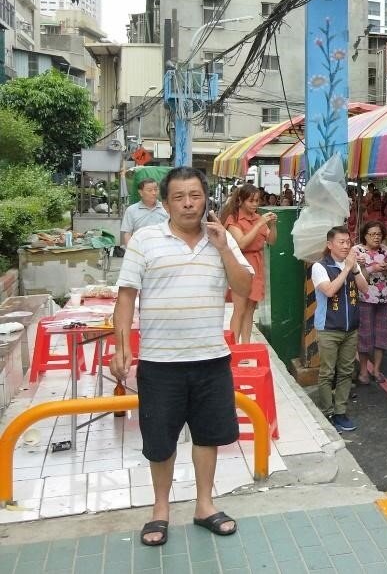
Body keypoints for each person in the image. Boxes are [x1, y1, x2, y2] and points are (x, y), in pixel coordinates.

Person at [111, 166, 254, 547]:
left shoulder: (221, 238)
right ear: (166, 202)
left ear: (206, 199)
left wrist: (224, 247)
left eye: (195, 195)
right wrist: (122, 347)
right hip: (160, 362)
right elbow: (126, 296)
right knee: (160, 440)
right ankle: (160, 510)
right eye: (179, 197)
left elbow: (244, 286)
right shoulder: (145, 239)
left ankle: (204, 506)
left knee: (208, 435)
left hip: (211, 358)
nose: (188, 204)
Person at [312, 226, 370, 433]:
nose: (346, 246)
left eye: (348, 242)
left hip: (350, 328)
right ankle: (327, 411)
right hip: (328, 327)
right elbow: (329, 291)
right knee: (327, 372)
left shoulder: (352, 265)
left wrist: (354, 269)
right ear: (330, 245)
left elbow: (365, 289)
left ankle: (340, 412)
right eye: (341, 242)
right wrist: (346, 269)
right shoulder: (320, 266)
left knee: (346, 371)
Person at [223, 184, 278, 344]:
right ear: (240, 200)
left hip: (257, 264)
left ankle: (246, 345)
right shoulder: (233, 220)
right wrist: (259, 224)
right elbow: (242, 243)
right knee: (239, 309)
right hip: (241, 265)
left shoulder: (257, 217)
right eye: (251, 201)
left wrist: (272, 225)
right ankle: (234, 347)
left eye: (257, 201)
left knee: (250, 310)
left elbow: (271, 240)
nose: (255, 204)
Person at [351, 220, 387, 385]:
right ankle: (364, 371)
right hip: (364, 299)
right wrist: (372, 269)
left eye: (379, 234)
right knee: (365, 335)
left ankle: (376, 369)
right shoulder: (357, 251)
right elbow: (353, 275)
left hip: (384, 299)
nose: (376, 237)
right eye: (372, 234)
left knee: (382, 335)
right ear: (365, 235)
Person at [120, 179, 169, 246]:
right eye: (150, 190)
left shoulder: (166, 208)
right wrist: (131, 250)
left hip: (162, 247)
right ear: (141, 192)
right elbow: (127, 234)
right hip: (140, 248)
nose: (154, 193)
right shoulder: (131, 210)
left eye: (156, 190)